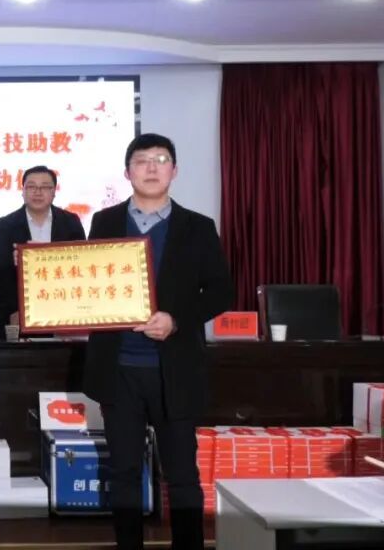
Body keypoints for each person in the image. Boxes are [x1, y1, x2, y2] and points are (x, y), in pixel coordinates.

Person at [83, 134, 232, 550]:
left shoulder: (198, 227)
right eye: (142, 160)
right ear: (127, 172)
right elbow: (89, 284)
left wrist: (176, 319)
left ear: (175, 171)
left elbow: (221, 292)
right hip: (119, 369)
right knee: (124, 473)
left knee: (182, 474)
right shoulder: (104, 222)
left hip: (175, 370)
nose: (151, 167)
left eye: (161, 160)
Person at [0, 165, 86, 335]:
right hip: (19, 313)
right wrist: (15, 310)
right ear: (23, 191)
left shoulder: (70, 222)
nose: (38, 192)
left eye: (45, 187)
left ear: (54, 192)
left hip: (63, 310)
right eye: (31, 186)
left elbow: (81, 265)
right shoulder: (6, 225)